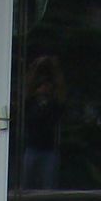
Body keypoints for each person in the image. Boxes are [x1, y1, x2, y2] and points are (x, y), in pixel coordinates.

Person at [19, 54, 65, 190]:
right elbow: (27, 86)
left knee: (49, 187)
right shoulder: (30, 103)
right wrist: (35, 66)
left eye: (47, 85)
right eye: (41, 85)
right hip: (31, 148)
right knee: (25, 187)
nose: (44, 88)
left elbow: (62, 89)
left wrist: (55, 68)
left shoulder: (54, 104)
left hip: (49, 150)